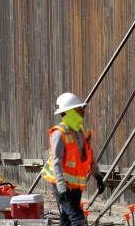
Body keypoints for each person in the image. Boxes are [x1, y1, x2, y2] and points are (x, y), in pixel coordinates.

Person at [41, 92, 105, 226]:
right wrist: (61, 188)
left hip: (76, 187)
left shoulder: (79, 131)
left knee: (67, 220)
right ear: (69, 112)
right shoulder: (59, 134)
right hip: (63, 187)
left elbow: (89, 156)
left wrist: (98, 176)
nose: (83, 112)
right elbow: (56, 162)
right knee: (78, 219)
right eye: (79, 109)